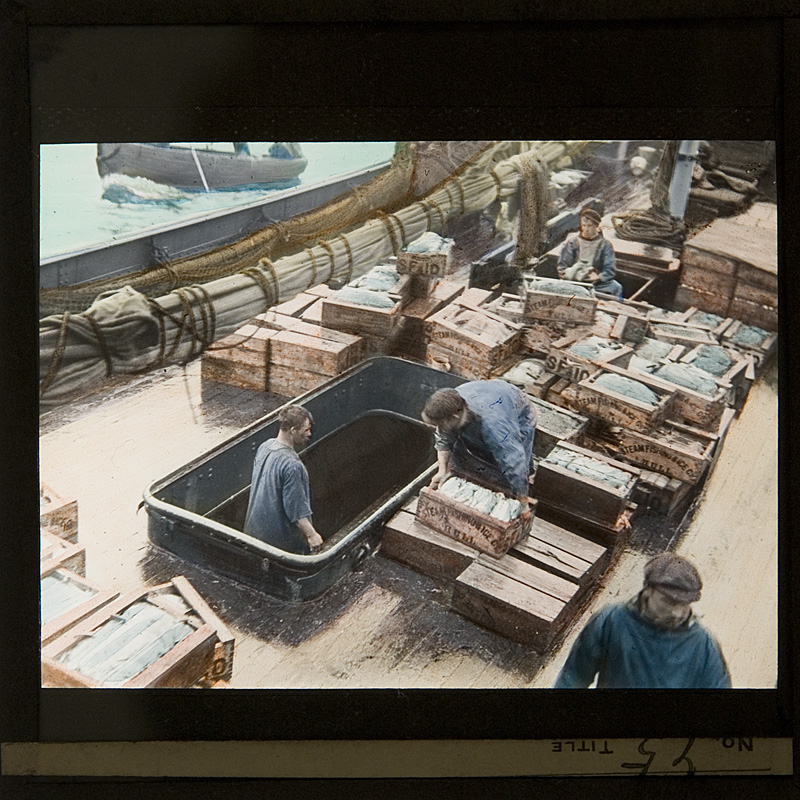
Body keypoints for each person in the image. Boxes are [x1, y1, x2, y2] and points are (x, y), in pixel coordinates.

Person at [553, 553, 731, 689]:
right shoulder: (611, 621)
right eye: (669, 601)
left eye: (685, 604)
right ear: (647, 590)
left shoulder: (703, 645)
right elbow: (572, 679)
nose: (677, 613)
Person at [421, 381, 537, 499]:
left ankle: (529, 474)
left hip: (517, 408)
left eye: (441, 424)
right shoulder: (451, 403)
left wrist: (522, 500)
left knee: (510, 459)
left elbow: (514, 462)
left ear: (455, 417)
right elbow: (444, 437)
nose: (440, 428)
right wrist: (442, 470)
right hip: (487, 396)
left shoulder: (495, 426)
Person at [243, 405, 324, 555]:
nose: (309, 434)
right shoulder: (292, 465)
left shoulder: (265, 446)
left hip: (253, 533)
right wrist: (312, 536)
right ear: (293, 430)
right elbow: (296, 510)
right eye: (306, 430)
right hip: (278, 545)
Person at [557, 206, 623, 299]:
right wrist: (571, 274)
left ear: (596, 226)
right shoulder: (572, 242)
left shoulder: (605, 245)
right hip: (573, 282)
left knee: (616, 287)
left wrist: (598, 278)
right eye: (583, 225)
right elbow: (562, 266)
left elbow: (609, 269)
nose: (586, 229)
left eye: (589, 226)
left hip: (596, 284)